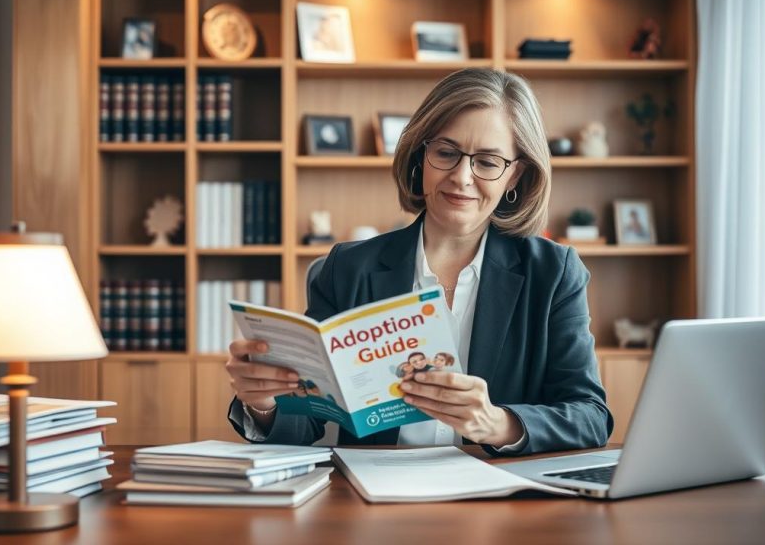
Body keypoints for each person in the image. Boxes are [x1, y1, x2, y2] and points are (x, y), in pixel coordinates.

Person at [226, 68, 613, 455]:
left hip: (501, 493)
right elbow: (308, 419)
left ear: (514, 176)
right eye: (446, 153)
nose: (462, 177)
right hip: (376, 495)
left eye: (488, 161)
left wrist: (499, 423)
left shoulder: (554, 272)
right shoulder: (349, 267)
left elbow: (591, 416)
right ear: (420, 156)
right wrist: (264, 402)